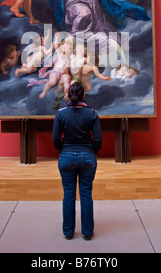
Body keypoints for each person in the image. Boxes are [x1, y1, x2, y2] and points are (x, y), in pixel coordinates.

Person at [52, 82, 102, 240]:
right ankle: (87, 232)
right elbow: (98, 139)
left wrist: (63, 150)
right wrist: (92, 151)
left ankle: (68, 232)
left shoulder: (61, 114)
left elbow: (55, 138)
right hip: (87, 155)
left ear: (68, 95)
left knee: (68, 194)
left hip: (66, 156)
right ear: (84, 95)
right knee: (86, 194)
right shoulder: (92, 113)